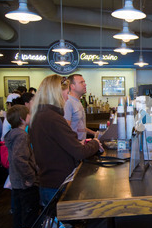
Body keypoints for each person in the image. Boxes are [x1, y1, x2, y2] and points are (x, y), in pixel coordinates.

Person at [29, 74, 101, 207]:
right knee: (64, 226)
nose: (67, 97)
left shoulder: (38, 115)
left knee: (55, 225)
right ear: (56, 93)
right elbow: (79, 152)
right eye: (66, 93)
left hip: (46, 181)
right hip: (58, 183)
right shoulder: (53, 118)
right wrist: (95, 143)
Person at [4, 105, 39, 228]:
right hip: (25, 183)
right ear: (22, 119)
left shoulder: (11, 134)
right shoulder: (22, 136)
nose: (30, 116)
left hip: (16, 182)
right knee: (29, 215)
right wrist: (30, 177)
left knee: (19, 213)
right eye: (28, 114)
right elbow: (20, 158)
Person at [64, 74, 96, 141]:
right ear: (72, 86)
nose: (85, 84)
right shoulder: (68, 102)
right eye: (81, 82)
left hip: (80, 143)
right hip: (74, 144)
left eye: (84, 82)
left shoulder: (78, 101)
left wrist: (94, 133)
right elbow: (66, 128)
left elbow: (80, 126)